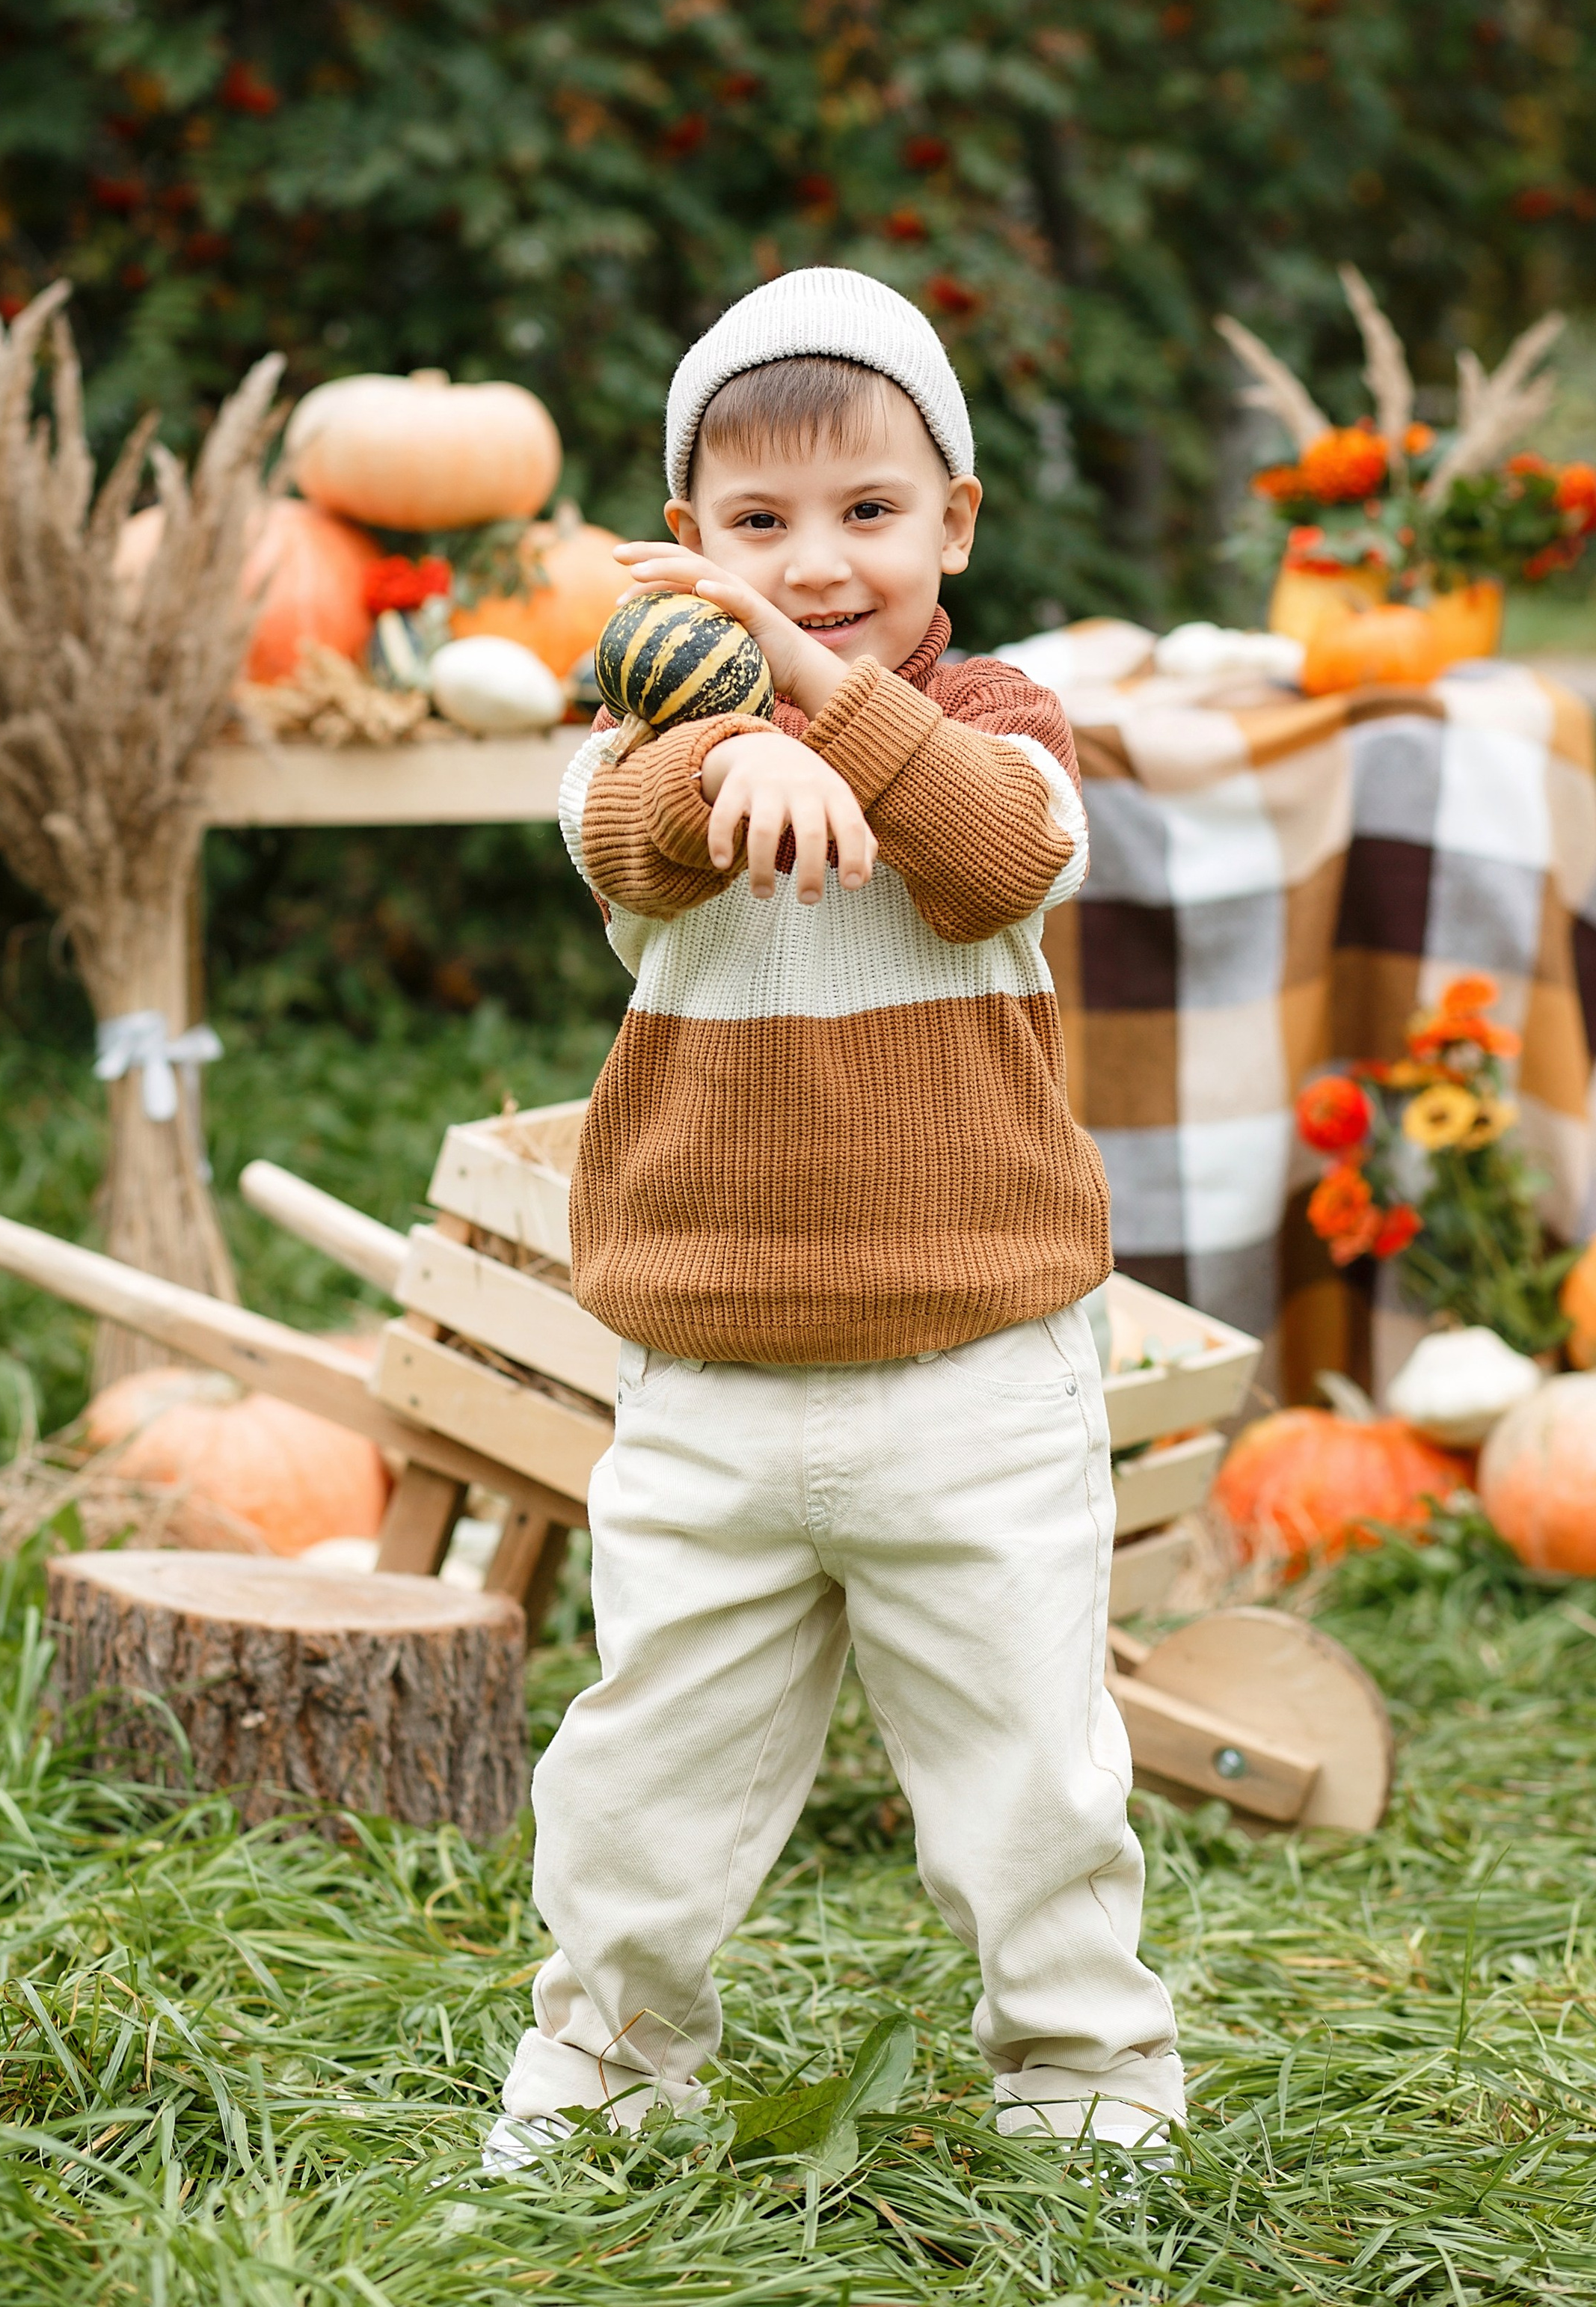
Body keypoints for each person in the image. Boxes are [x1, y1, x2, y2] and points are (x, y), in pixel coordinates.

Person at [486, 266, 1184, 2169]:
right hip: (706, 1375)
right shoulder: (636, 756)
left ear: (952, 520)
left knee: (1030, 1766)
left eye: (867, 512)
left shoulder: (1003, 719)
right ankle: (608, 2064)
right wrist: (738, 730)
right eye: (758, 527)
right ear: (684, 545)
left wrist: (813, 690)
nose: (816, 562)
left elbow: (997, 854)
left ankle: (1081, 2078)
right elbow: (632, 838)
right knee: (646, 1766)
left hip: (973, 1366)